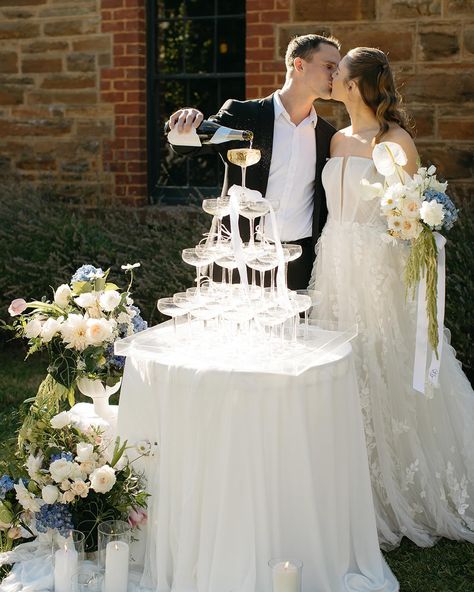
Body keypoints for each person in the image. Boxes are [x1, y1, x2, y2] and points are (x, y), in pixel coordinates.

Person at [309, 46, 474, 549]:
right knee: (345, 364)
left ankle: (405, 487)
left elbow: (416, 211)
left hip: (378, 267)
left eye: (339, 75)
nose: (332, 79)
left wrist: (408, 226)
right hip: (335, 260)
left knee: (387, 359)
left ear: (356, 86)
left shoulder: (395, 140)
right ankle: (348, 484)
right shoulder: (335, 139)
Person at [168, 34, 341, 290]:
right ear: (299, 65)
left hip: (298, 266)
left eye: (337, 69)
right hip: (238, 257)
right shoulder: (244, 114)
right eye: (329, 66)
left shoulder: (327, 136)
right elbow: (187, 145)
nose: (335, 75)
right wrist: (183, 123)